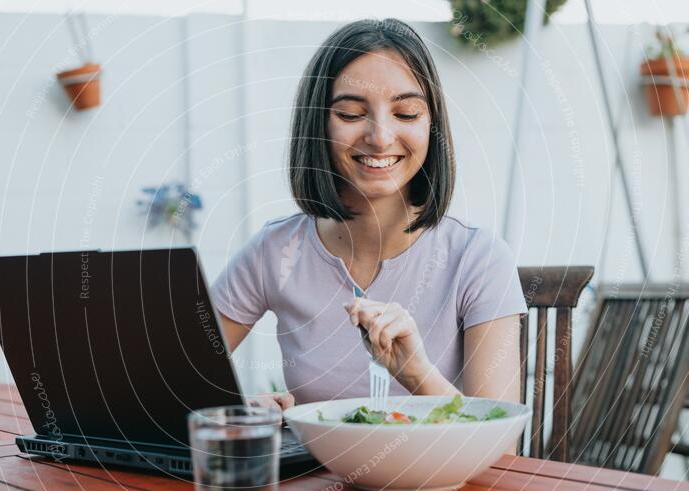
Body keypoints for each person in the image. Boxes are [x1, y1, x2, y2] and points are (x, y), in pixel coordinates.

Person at [211, 18, 527, 413]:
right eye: (349, 114)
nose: (379, 137)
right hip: (314, 476)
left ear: (432, 127)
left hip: (437, 477)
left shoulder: (477, 258)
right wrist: (245, 415)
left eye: (407, 114)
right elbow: (171, 385)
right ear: (318, 125)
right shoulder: (275, 251)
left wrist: (415, 373)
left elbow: (501, 452)